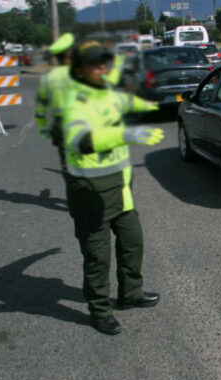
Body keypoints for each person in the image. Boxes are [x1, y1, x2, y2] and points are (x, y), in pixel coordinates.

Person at [62, 41, 165, 335]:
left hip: (121, 192)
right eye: (97, 63)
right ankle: (99, 310)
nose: (103, 68)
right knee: (98, 258)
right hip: (90, 195)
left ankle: (131, 293)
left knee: (133, 243)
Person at [35, 32, 75, 174]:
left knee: (68, 165)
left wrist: (43, 129)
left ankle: (74, 193)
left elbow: (40, 109)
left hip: (61, 127)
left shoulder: (48, 78)